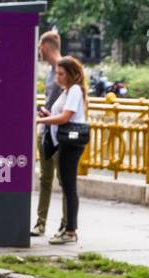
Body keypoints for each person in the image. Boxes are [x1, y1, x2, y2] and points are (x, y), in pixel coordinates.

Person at [36, 55, 88, 245]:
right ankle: (66, 228)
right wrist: (48, 115)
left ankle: (70, 230)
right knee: (66, 185)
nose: (58, 77)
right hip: (62, 142)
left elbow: (66, 118)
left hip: (70, 143)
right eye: (57, 73)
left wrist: (41, 120)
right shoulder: (67, 91)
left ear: (71, 74)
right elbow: (61, 116)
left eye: (61, 73)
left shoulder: (74, 90)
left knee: (69, 187)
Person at [31, 31, 64, 237]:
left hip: (59, 132)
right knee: (45, 178)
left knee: (63, 179)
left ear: (45, 47)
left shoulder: (64, 69)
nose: (38, 53)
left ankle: (67, 224)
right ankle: (40, 222)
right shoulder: (51, 72)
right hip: (45, 129)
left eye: (39, 48)